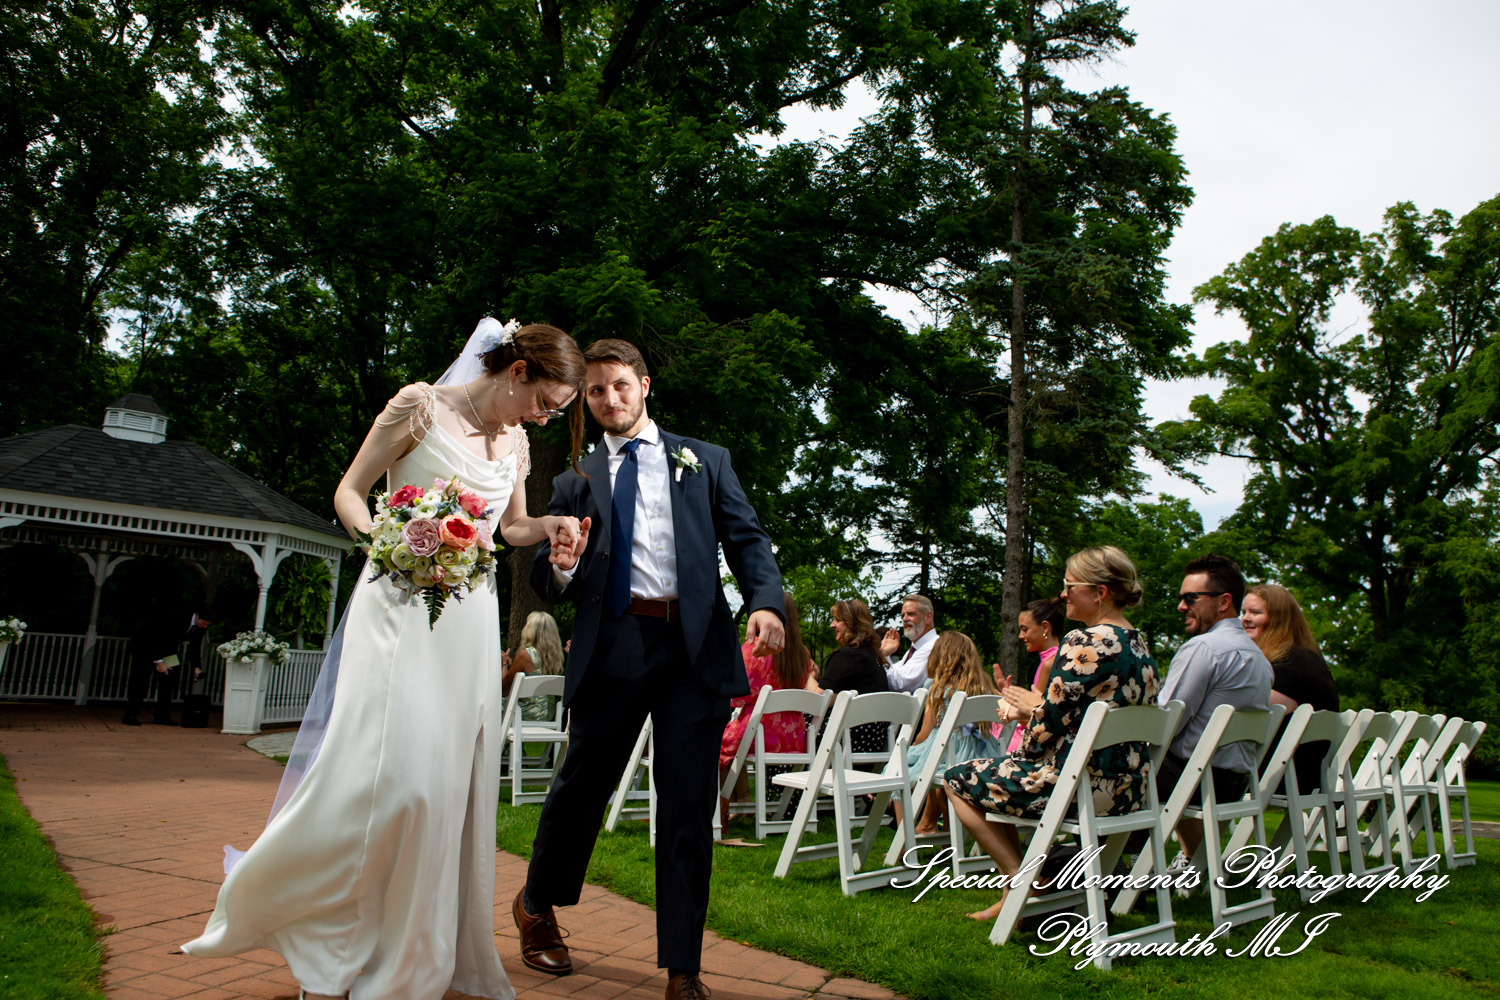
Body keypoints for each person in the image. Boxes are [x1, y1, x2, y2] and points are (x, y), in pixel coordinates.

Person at [182, 319, 588, 1000]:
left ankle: (409, 951)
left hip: (466, 618)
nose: (546, 420)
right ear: (517, 373)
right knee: (394, 781)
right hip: (397, 604)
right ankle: (328, 937)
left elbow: (507, 527)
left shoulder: (513, 440)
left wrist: (548, 527)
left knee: (443, 791)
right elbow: (350, 490)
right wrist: (392, 543)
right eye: (547, 402)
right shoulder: (419, 407)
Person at [519, 338, 785, 1000]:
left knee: (689, 808)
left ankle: (682, 968)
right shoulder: (576, 479)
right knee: (583, 789)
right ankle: (536, 904)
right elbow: (549, 579)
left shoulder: (706, 462)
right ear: (587, 399)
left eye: (620, 385)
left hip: (693, 653)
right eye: (596, 390)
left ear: (644, 386)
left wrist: (766, 602)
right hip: (615, 645)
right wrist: (561, 561)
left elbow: (748, 539)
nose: (609, 398)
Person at [943, 545, 1159, 922]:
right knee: (995, 773)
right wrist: (1039, 709)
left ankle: (1020, 884)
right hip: (1128, 789)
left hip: (1075, 787)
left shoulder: (1082, 642)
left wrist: (1029, 710)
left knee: (956, 779)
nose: (1062, 594)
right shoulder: (1140, 646)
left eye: (1069, 585)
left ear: (1099, 593)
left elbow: (1045, 730)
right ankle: (1023, 887)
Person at [1156, 553, 1273, 863]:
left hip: (1192, 780)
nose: (1182, 606)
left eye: (1191, 598)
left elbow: (1165, 723)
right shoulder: (1259, 658)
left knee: (1099, 767)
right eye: (1182, 598)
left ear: (1223, 602)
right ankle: (1197, 861)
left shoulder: (1204, 648)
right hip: (1231, 781)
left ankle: (1108, 872)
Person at [718, 591, 814, 831]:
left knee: (713, 742)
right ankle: (740, 803)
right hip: (793, 736)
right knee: (730, 744)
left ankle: (723, 806)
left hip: (757, 732)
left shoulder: (753, 650)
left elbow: (737, 696)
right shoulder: (802, 653)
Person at [1242, 583, 1339, 793]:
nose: (1245, 618)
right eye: (1243, 612)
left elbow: (1255, 714)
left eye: (1255, 612)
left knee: (1191, 777)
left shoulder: (1287, 663)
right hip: (1309, 774)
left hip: (1284, 776)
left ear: (1278, 619)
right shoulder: (1307, 657)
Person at [903, 631, 1000, 835]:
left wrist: (911, 748)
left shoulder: (938, 688)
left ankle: (906, 834)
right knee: (938, 769)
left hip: (949, 754)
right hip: (984, 755)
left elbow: (925, 732)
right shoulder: (985, 687)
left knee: (907, 766)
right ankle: (940, 829)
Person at [806, 598, 890, 756]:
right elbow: (836, 696)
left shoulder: (847, 655)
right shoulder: (871, 656)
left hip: (847, 741)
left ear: (853, 624)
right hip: (873, 740)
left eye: (838, 620)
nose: (832, 625)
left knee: (790, 728)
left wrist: (806, 676)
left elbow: (819, 701)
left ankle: (776, 777)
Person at [123, 603, 207, 726]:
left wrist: (196, 667)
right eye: (203, 623)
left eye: (207, 625)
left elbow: (195, 647)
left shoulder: (200, 628)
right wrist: (158, 661)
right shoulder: (179, 616)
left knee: (170, 679)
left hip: (168, 650)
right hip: (146, 646)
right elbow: (157, 636)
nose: (205, 626)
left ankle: (162, 715)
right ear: (197, 616)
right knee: (140, 680)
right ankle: (130, 714)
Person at [1004, 597, 1066, 753]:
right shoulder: (1061, 656)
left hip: (1033, 746)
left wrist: (1011, 712)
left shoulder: (1049, 665)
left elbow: (1037, 720)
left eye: (1025, 629)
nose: (1020, 635)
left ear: (1045, 628)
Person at [502, 610, 566, 722]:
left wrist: (504, 664)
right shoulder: (557, 657)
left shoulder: (525, 655)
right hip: (549, 714)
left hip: (527, 713)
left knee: (491, 705)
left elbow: (503, 688)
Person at [880, 593, 937, 693]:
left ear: (928, 617)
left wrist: (882, 655)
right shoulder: (916, 649)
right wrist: (885, 654)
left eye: (911, 614)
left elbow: (898, 685)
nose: (905, 619)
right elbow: (896, 673)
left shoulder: (933, 647)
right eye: (903, 615)